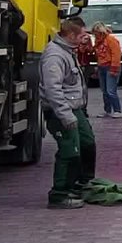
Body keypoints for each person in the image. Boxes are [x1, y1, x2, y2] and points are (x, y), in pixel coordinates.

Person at [39, 16, 97, 210]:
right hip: (62, 111)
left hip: (74, 108)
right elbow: (52, 89)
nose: (85, 37)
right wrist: (65, 115)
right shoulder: (55, 56)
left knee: (87, 142)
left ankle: (81, 183)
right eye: (82, 34)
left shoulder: (68, 51)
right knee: (69, 150)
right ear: (71, 35)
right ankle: (60, 193)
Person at [92, 22, 122, 119]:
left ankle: (117, 110)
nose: (95, 35)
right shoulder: (98, 42)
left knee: (110, 90)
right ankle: (108, 110)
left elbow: (116, 54)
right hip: (102, 66)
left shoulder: (111, 40)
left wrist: (114, 68)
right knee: (105, 91)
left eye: (96, 33)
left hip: (110, 66)